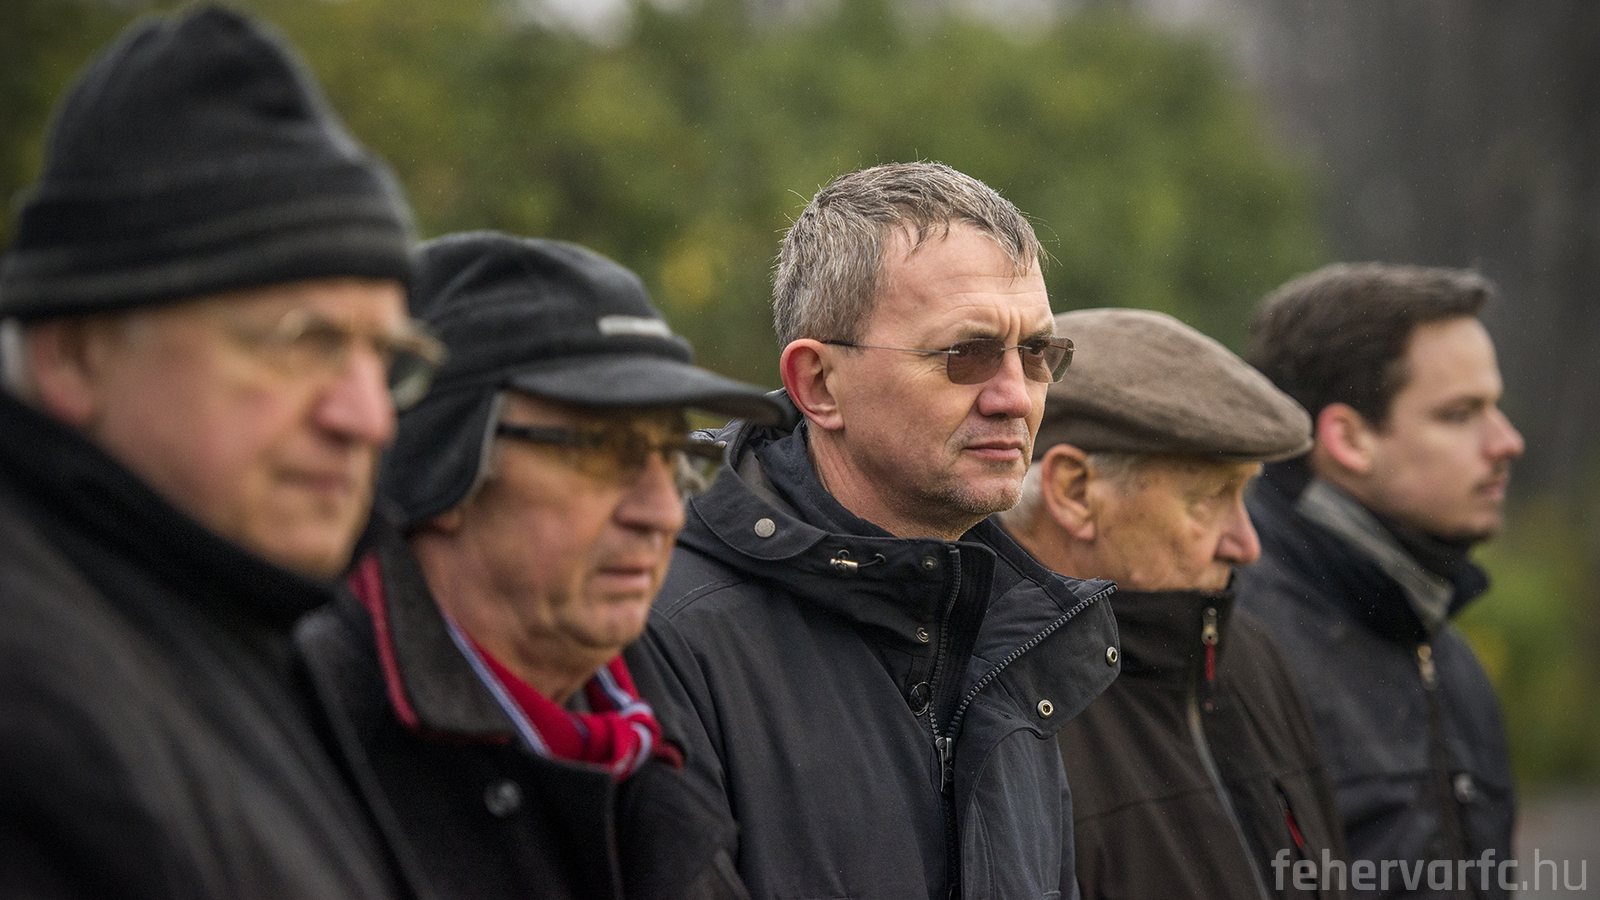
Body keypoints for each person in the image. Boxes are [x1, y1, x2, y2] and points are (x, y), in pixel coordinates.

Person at [0, 6, 439, 897]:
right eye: (303, 342)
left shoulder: (233, 603)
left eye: (387, 359)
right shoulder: (39, 696)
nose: (367, 418)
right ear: (74, 356)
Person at [626, 161, 1122, 900]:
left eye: (1037, 354)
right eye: (965, 355)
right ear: (819, 384)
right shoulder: (657, 626)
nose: (1016, 397)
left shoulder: (1013, 631)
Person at [296, 231, 780, 900]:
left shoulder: (656, 740)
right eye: (602, 451)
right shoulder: (297, 734)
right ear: (444, 465)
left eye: (675, 459)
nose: (663, 512)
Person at [999, 308, 1348, 900]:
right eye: (1209, 499)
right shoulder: (991, 707)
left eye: (1245, 495)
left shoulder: (1250, 658)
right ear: (1075, 492)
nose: (1247, 545)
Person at [1237, 263, 1524, 899]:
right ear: (1348, 438)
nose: (1507, 442)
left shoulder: (1445, 650)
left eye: (1495, 407)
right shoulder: (1236, 648)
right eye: (1460, 414)